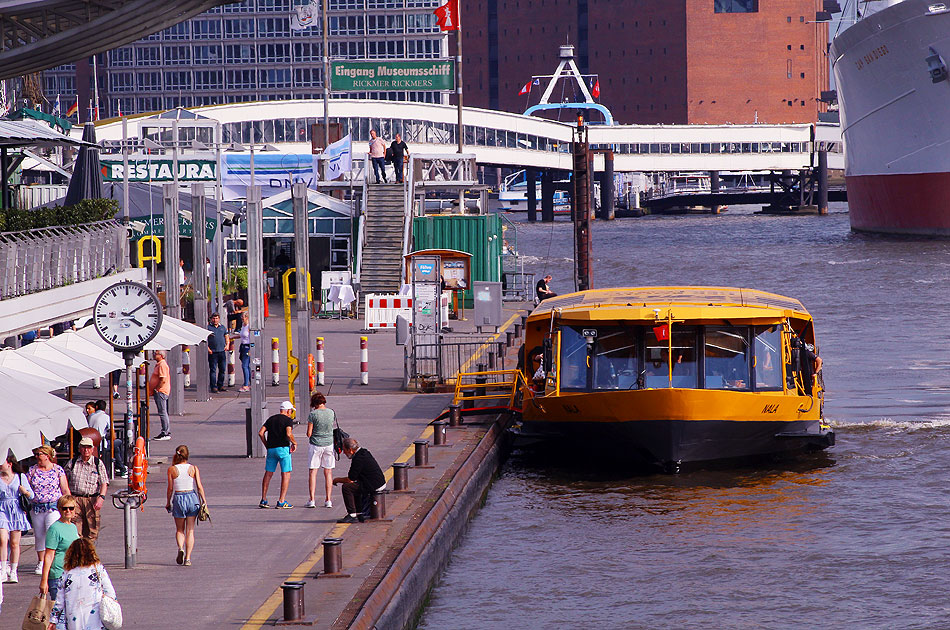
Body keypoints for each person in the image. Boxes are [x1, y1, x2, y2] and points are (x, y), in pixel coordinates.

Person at [49, 538, 117, 630]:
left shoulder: (67, 574)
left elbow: (59, 601)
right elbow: (110, 592)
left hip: (74, 620)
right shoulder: (98, 569)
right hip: (95, 619)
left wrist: (53, 620)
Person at [28, 445, 69, 576]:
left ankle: (54, 559)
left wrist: (68, 505)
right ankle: (41, 561)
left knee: (52, 532)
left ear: (47, 455)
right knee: (39, 535)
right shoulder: (32, 470)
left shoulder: (58, 470)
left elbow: (64, 489)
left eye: (39, 454)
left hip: (53, 507)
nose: (37, 457)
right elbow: (27, 488)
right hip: (37, 507)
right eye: (35, 455)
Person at [165, 445, 207, 567]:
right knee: (190, 530)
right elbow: (199, 486)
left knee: (179, 529)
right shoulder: (193, 468)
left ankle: (180, 548)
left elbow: (170, 488)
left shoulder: (172, 469)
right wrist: (204, 501)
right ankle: (188, 558)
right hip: (192, 498)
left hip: (179, 498)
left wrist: (168, 502)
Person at [63, 438, 108, 541]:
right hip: (75, 499)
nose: (86, 450)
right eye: (83, 447)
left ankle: (88, 553)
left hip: (91, 499)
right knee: (75, 528)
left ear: (92, 449)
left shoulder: (97, 463)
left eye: (88, 447)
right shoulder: (72, 462)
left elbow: (104, 483)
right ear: (79, 449)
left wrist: (101, 497)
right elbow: (64, 480)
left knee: (92, 530)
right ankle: (78, 553)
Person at [332, 438, 385, 524]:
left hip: (374, 484)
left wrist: (336, 480)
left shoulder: (358, 459)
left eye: (344, 450)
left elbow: (350, 479)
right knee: (355, 486)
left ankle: (352, 514)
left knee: (347, 487)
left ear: (350, 450)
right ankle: (359, 512)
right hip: (378, 482)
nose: (344, 453)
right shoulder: (364, 452)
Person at [0, 454, 33, 583]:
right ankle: (3, 569)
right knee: (2, 539)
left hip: (16, 510)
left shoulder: (20, 477)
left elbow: (31, 495)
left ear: (9, 463)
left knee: (14, 543)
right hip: (2, 508)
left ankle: (13, 570)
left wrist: (24, 491)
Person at [39, 495, 79, 602]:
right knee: (59, 613)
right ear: (59, 509)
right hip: (58, 575)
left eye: (71, 508)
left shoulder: (73, 527)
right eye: (64, 508)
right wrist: (44, 580)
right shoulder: (54, 529)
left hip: (72, 574)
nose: (68, 511)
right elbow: (48, 555)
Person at [259, 401, 297, 509]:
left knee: (268, 473)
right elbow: (288, 434)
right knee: (286, 473)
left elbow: (261, 432)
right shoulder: (288, 420)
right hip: (283, 449)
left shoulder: (271, 419)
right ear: (288, 410)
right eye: (291, 411)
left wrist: (267, 444)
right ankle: (281, 501)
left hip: (271, 449)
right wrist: (294, 442)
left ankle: (264, 499)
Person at [305, 392, 335, 509]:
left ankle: (312, 499)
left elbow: (309, 433)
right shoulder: (331, 412)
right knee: (328, 472)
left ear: (314, 403)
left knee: (313, 472)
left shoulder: (313, 414)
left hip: (316, 445)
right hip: (329, 444)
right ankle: (328, 500)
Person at [148, 350, 171, 440]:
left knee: (162, 412)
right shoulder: (159, 364)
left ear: (161, 355)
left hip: (161, 391)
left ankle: (165, 432)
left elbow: (163, 379)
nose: (154, 355)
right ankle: (165, 431)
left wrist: (157, 389)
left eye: (156, 353)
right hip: (160, 391)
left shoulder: (162, 365)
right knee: (162, 412)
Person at [207, 312, 229, 393]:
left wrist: (227, 345)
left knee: (222, 369)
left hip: (221, 351)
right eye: (213, 318)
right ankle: (213, 386)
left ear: (219, 319)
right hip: (213, 352)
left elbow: (226, 337)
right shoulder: (208, 328)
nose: (215, 320)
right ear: (211, 319)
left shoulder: (222, 327)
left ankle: (220, 385)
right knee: (213, 370)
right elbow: (205, 340)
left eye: (216, 318)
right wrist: (208, 349)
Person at [238, 311, 251, 392]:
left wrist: (251, 349)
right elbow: (241, 335)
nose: (241, 318)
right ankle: (251, 382)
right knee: (247, 366)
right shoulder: (243, 326)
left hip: (247, 347)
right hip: (242, 346)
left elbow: (252, 337)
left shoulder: (249, 327)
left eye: (243, 317)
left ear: (247, 317)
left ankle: (246, 385)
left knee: (244, 366)